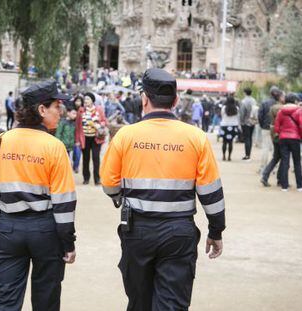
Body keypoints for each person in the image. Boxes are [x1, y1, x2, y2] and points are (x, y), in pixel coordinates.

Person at [100, 68, 225, 311]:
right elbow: (211, 192)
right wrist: (216, 230)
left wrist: (120, 198)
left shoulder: (126, 136)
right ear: (176, 100)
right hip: (179, 231)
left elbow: (108, 184)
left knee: (139, 302)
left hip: (137, 230)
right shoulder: (196, 137)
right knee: (173, 304)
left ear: (144, 99)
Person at [0, 80, 76, 310]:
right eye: (56, 106)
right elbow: (64, 203)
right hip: (45, 230)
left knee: (6, 300)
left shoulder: (2, 142)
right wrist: (68, 243)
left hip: (9, 228)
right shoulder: (54, 147)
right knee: (46, 300)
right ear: (42, 110)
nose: (60, 112)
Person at [75, 92, 107, 185]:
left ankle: (97, 179)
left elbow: (104, 121)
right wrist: (77, 140)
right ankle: (86, 178)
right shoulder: (81, 110)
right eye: (85, 99)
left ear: (92, 100)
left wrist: (100, 125)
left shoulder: (99, 110)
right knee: (85, 159)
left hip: (96, 138)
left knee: (96, 158)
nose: (85, 101)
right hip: (84, 138)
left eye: (88, 99)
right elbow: (77, 126)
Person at [274, 93, 302, 192]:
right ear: (295, 101)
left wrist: (281, 132)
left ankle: (284, 186)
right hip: (295, 138)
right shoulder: (299, 111)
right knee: (297, 162)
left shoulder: (280, 111)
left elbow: (276, 127)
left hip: (283, 138)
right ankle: (299, 186)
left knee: (285, 162)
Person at [261, 92, 285, 187]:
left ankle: (265, 176)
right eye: (283, 96)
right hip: (282, 134)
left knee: (276, 157)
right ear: (279, 97)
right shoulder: (282, 108)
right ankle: (280, 179)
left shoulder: (273, 107)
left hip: (274, 134)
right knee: (283, 158)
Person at [258, 86, 283, 173]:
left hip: (265, 128)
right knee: (274, 149)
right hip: (276, 129)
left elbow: (260, 115)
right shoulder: (280, 104)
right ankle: (273, 168)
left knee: (265, 148)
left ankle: (263, 167)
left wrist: (262, 125)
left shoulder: (264, 102)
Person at [240, 88, 258, 160]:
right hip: (252, 121)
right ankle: (249, 154)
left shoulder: (244, 101)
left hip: (246, 121)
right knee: (250, 138)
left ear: (245, 93)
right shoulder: (254, 100)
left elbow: (242, 113)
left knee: (247, 138)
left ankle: (247, 155)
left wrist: (241, 122)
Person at [220, 96, 240, 161]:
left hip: (225, 126)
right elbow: (237, 117)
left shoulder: (224, 108)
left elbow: (222, 116)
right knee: (231, 142)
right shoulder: (236, 108)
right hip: (233, 126)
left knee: (224, 142)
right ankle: (229, 156)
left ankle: (223, 156)